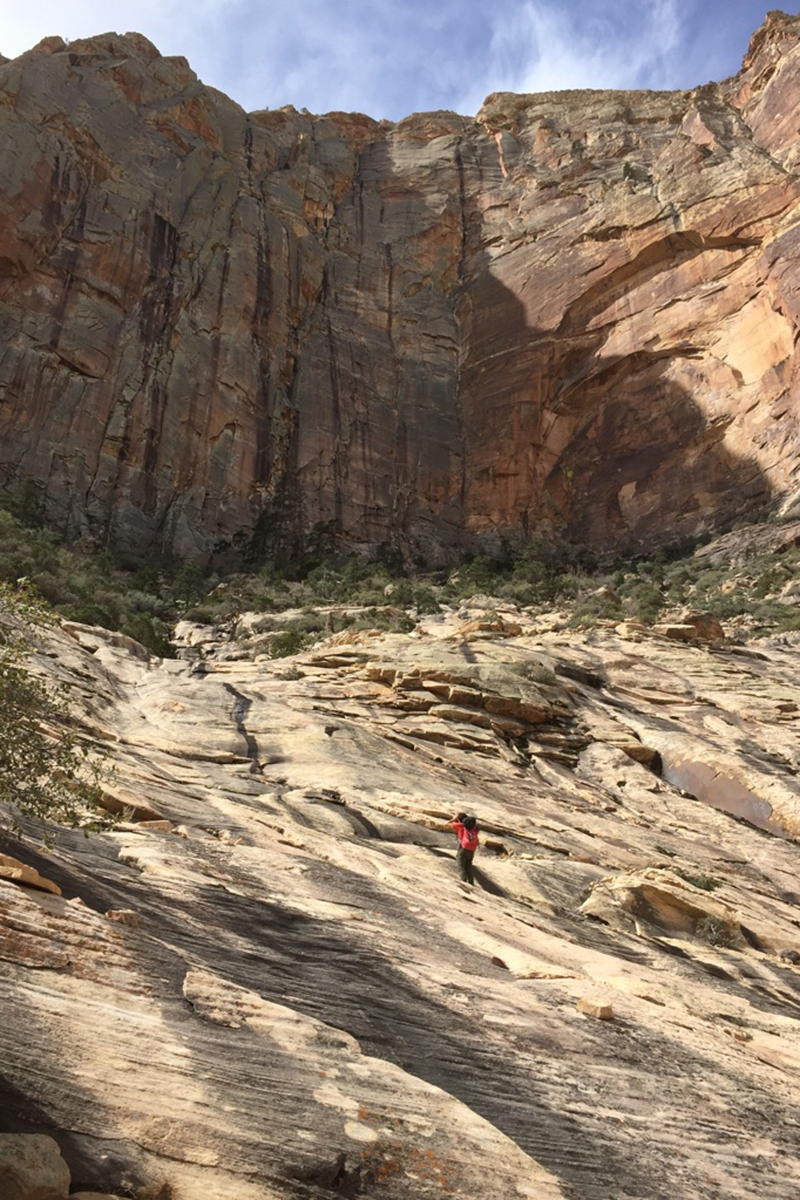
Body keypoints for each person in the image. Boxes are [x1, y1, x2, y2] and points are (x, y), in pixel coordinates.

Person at [450, 813, 479, 885]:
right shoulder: (475, 829)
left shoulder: (462, 826)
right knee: (468, 866)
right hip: (472, 849)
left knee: (460, 863)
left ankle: (463, 880)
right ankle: (471, 882)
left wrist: (453, 819)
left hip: (464, 847)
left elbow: (447, 825)